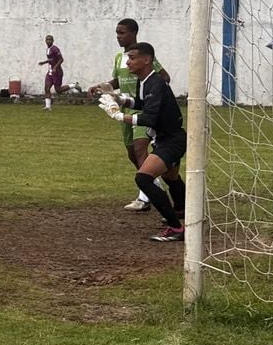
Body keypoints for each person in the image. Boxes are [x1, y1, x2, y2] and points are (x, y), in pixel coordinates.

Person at [98, 42, 187, 242]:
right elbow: (141, 103)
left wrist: (118, 116)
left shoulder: (156, 82)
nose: (128, 62)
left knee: (143, 178)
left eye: (132, 58)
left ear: (146, 60)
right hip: (167, 138)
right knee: (171, 178)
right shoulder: (145, 81)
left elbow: (149, 118)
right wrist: (120, 99)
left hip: (171, 140)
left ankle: (176, 228)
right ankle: (181, 212)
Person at [93, 18, 170, 213]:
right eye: (117, 33)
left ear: (134, 33)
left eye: (122, 33)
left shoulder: (142, 55)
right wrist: (102, 87)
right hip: (125, 108)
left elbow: (164, 77)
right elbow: (117, 81)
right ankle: (154, 187)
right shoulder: (121, 58)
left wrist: (151, 95)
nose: (119, 37)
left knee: (139, 148)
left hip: (143, 109)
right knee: (132, 153)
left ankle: (144, 198)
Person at [38, 35, 79, 111]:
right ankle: (48, 106)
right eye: (47, 40)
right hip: (50, 72)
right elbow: (51, 59)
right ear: (45, 41)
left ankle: (74, 85)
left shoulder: (55, 49)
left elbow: (61, 59)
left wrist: (55, 67)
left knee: (58, 90)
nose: (48, 41)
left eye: (50, 40)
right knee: (47, 88)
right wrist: (44, 62)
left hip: (57, 72)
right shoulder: (48, 49)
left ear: (53, 41)